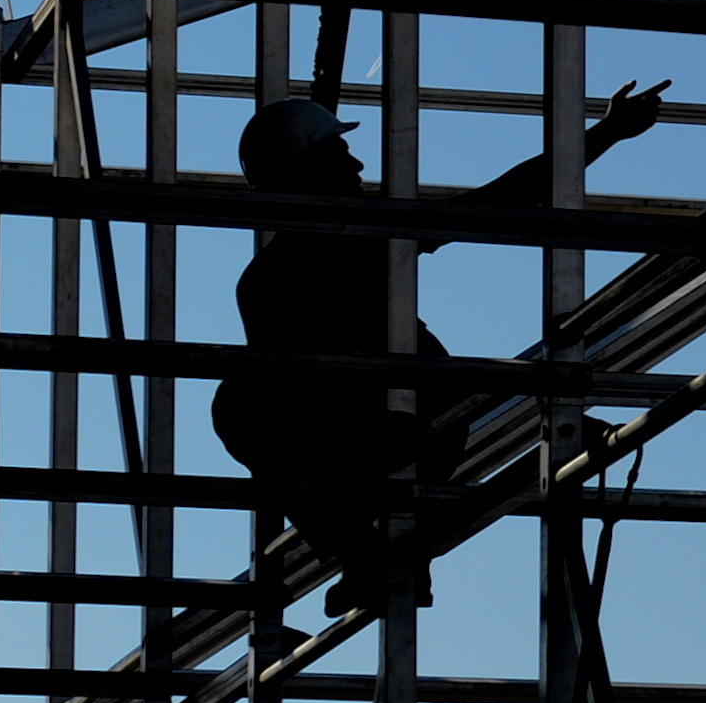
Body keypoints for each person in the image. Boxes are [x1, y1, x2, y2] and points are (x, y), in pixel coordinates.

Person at [213, 84, 664, 616]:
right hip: (357, 443)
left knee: (243, 410)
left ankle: (371, 557)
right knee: (239, 407)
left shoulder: (349, 246)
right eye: (338, 155)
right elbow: (278, 409)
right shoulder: (280, 279)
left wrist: (605, 134)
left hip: (419, 426)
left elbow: (501, 199)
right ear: (300, 172)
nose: (358, 165)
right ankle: (369, 557)